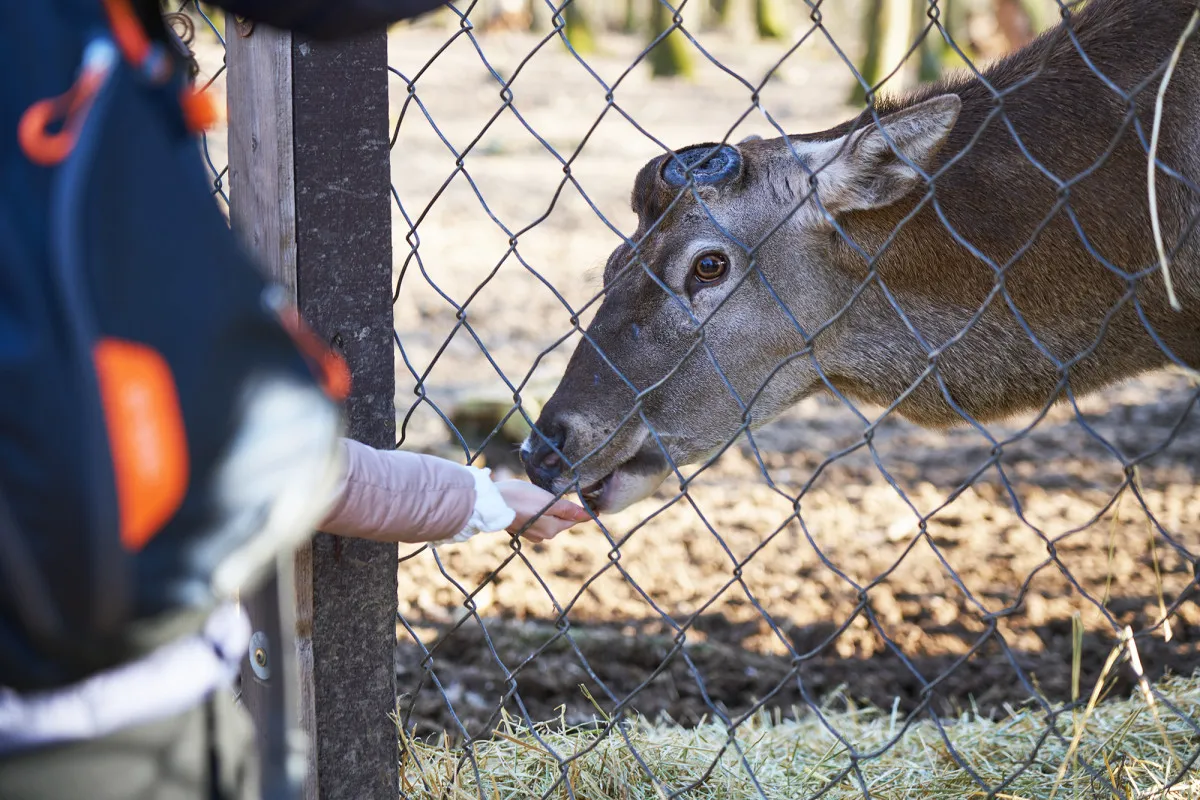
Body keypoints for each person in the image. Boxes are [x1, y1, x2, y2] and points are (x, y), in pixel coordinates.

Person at [0, 0, 589, 798]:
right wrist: (479, 498)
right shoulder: (78, 158)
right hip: (119, 726)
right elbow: (280, 455)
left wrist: (478, 496)